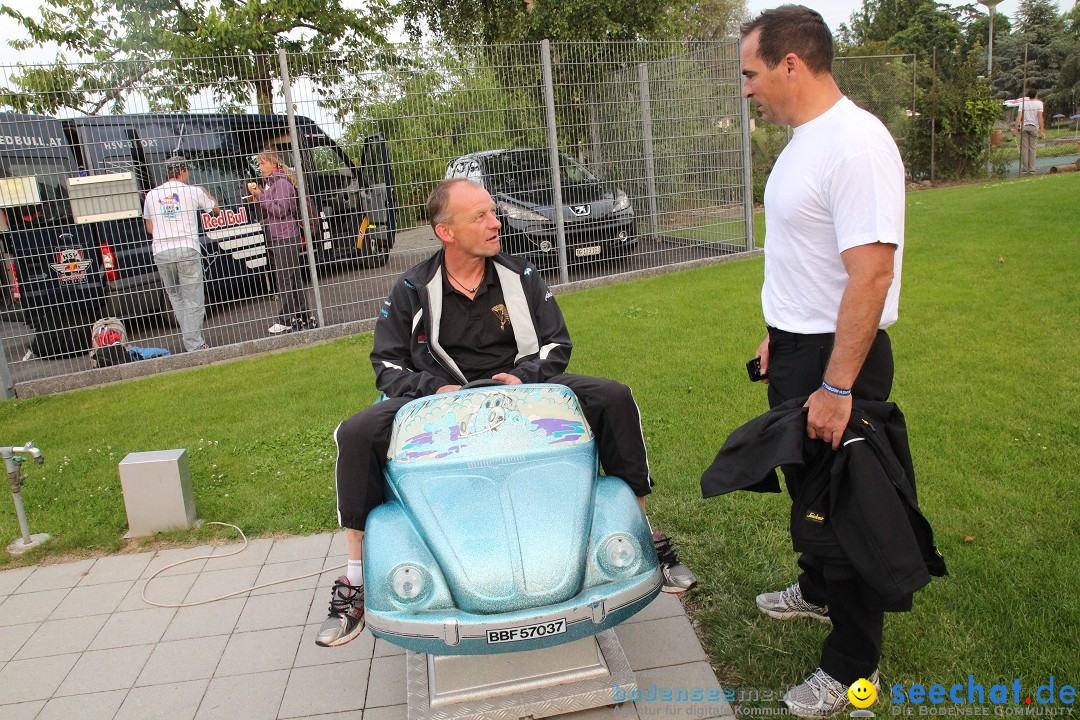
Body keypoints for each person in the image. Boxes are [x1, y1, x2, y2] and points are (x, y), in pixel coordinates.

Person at [315, 178, 698, 648]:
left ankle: (644, 532)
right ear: (445, 232)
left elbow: (558, 343)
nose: (495, 223)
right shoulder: (413, 287)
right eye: (480, 216)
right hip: (438, 400)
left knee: (614, 397)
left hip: (521, 388)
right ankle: (355, 578)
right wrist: (437, 388)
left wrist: (523, 376)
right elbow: (387, 364)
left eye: (493, 212)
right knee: (355, 433)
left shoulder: (522, 277)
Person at [740, 6, 907, 717]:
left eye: (750, 74)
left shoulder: (856, 145)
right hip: (799, 348)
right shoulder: (802, 142)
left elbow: (871, 275)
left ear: (789, 64)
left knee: (849, 509)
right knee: (809, 487)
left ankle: (849, 666)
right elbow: (805, 256)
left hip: (840, 362)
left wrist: (837, 384)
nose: (745, 89)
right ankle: (814, 592)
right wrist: (779, 331)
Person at [143, 155, 219, 352]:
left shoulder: (151, 195)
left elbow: (150, 227)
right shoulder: (193, 191)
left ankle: (190, 340)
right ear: (183, 171)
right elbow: (215, 210)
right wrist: (207, 193)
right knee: (194, 299)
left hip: (161, 250)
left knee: (176, 297)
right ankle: (194, 344)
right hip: (186, 247)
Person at [248, 149, 314, 335]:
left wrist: (260, 196)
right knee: (292, 278)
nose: (260, 168)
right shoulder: (272, 184)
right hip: (280, 235)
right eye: (259, 164)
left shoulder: (282, 183)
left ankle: (286, 319)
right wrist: (260, 194)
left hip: (286, 236)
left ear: (274, 163)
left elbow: (281, 209)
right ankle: (302, 315)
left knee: (285, 279)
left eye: (263, 164)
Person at [1015, 89, 1045, 175]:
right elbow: (1040, 118)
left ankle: (1025, 169)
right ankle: (1031, 169)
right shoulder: (1039, 104)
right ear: (1036, 95)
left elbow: (1019, 117)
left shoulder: (1023, 104)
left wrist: (1015, 129)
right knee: (1032, 148)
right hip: (1033, 127)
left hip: (1024, 126)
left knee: (1024, 148)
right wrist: (1042, 130)